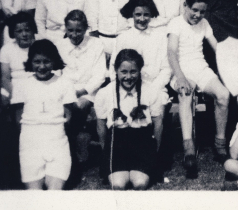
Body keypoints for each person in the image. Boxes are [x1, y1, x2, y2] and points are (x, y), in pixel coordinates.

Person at [167, 0, 231, 177]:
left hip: (200, 68)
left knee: (223, 95)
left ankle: (220, 145)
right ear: (186, 6)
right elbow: (171, 52)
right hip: (181, 70)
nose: (197, 15)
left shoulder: (204, 23)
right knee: (186, 94)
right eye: (194, 10)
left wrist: (232, 62)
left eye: (202, 12)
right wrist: (180, 77)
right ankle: (188, 149)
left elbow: (217, 48)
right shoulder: (176, 23)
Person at [11, 39, 75, 190]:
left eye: (46, 61)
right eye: (37, 61)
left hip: (57, 140)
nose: (41, 66)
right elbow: (17, 117)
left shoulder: (64, 83)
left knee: (54, 192)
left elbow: (69, 116)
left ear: (54, 61)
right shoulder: (22, 84)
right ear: (30, 62)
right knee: (35, 194)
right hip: (30, 141)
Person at [109, 0, 171, 149]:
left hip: (154, 87)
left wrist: (152, 90)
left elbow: (166, 68)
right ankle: (126, 153)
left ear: (151, 15)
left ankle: (154, 154)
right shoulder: (123, 37)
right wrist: (122, 88)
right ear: (132, 15)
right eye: (138, 14)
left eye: (146, 15)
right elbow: (113, 67)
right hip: (127, 86)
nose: (142, 19)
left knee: (158, 111)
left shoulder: (160, 37)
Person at [95, 49, 163, 190]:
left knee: (140, 183)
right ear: (116, 71)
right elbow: (101, 126)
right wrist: (106, 152)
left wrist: (153, 154)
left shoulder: (151, 90)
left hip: (142, 144)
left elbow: (158, 124)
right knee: (119, 185)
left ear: (140, 71)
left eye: (133, 72)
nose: (128, 77)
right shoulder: (105, 93)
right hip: (117, 145)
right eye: (123, 72)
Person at [56, 10, 106, 178]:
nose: (74, 34)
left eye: (78, 30)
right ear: (66, 29)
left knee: (78, 106)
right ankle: (70, 152)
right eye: (70, 30)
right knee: (64, 109)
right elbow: (57, 73)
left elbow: (99, 76)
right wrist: (68, 92)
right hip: (65, 91)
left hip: (88, 92)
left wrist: (81, 91)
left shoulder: (96, 44)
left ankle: (73, 152)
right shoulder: (60, 45)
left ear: (86, 29)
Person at [86, 0, 136, 65]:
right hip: (102, 41)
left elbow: (133, 20)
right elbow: (92, 20)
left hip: (125, 41)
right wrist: (100, 49)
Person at [0, 12, 37, 107]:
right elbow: (5, 78)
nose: (24, 34)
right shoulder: (6, 49)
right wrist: (12, 94)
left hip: (37, 83)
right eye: (19, 31)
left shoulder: (41, 45)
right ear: (13, 33)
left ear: (33, 30)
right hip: (16, 86)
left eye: (27, 30)